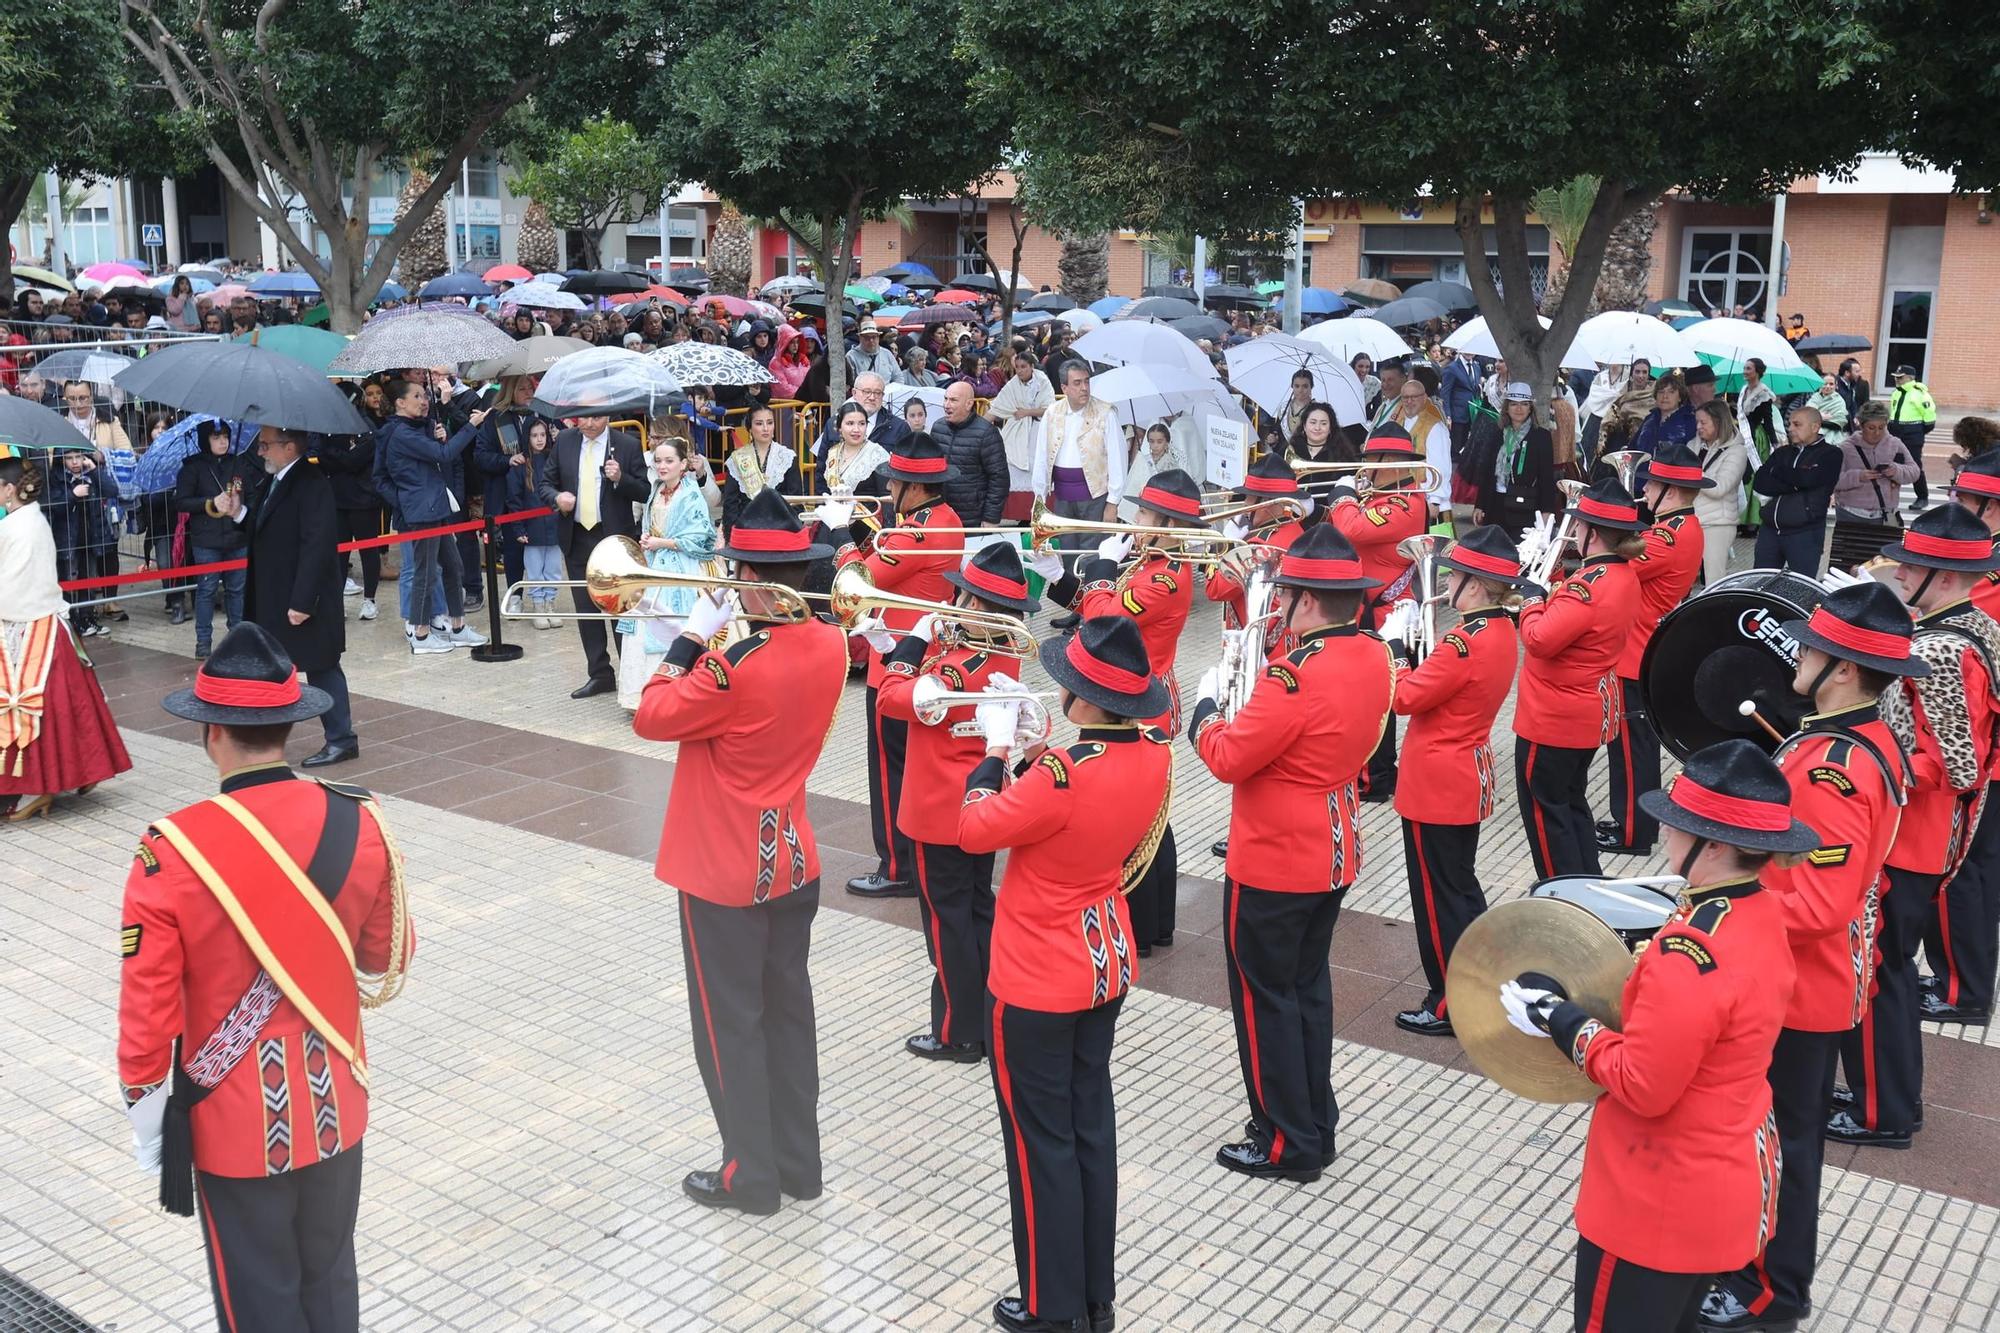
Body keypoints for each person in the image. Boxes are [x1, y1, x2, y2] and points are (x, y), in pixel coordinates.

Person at [117, 621, 413, 1332]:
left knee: (260, 1306)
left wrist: (147, 1115)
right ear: (292, 723)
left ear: (209, 732)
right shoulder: (359, 820)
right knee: (331, 1283)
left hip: (232, 1120)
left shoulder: (171, 850)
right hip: (337, 1102)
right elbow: (384, 958)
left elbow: (147, 1015)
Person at [1501, 740, 1811, 1333]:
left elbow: (1644, 1086)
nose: (1665, 833)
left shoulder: (1691, 951)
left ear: (1714, 844)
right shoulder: (1759, 910)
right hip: (1727, 1173)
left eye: (1678, 824)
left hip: (1660, 1198)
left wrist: (1559, 1018)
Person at [1699, 583, 1918, 1333]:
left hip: (1803, 982)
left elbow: (1818, 906)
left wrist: (1716, 904)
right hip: (1814, 975)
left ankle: (1769, 1292)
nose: (1800, 651)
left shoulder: (1834, 765)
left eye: (1814, 646)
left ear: (1847, 669)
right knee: (1783, 1133)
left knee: (1783, 1140)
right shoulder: (1849, 736)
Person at [633, 490, 847, 1215]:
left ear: (754, 578)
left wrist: (689, 639)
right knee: (788, 1017)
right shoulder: (828, 641)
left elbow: (653, 714)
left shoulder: (738, 665)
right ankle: (798, 1164)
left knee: (729, 1030)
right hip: (791, 855)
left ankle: (749, 1176)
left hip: (724, 866)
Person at [958, 615, 1172, 1333]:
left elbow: (975, 828)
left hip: (1038, 976)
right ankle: (1092, 1297)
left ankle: (1051, 1306)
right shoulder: (1149, 752)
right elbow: (1074, 803)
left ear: (1081, 693)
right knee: (1089, 1130)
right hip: (1103, 958)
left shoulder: (1061, 773)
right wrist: (1032, 752)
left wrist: (993, 753)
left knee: (1038, 1142)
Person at [1188, 524, 1393, 1179]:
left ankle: (1285, 1139)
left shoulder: (1294, 676)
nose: (1279, 603)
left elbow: (1227, 756)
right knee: (1306, 990)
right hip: (1334, 845)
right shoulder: (1371, 652)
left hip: (1276, 855)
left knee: (1264, 999)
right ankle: (1313, 1120)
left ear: (1309, 603)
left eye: (1288, 594)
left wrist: (1207, 708)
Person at [1829, 506, 2000, 1150]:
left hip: (1910, 840)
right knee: (1888, 972)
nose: (1899, 570)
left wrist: (1873, 760)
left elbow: (1954, 762)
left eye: (1914, 566)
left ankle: (1884, 1111)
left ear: (1949, 579)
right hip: (1927, 837)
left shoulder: (1940, 648)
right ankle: (1887, 1099)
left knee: (1876, 974)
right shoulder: (1973, 622)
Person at [873, 542, 1039, 1061]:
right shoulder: (1001, 650)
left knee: (947, 925)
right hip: (977, 800)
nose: (953, 602)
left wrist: (915, 640)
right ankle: (987, 1017)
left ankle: (957, 1032)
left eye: (962, 596)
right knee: (975, 910)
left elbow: (891, 699)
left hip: (937, 809)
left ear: (980, 608)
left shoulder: (958, 667)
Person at [1039, 469, 1206, 954]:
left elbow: (1108, 617)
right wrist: (1060, 578)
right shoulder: (1151, 561)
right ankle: (1154, 923)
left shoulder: (1166, 577)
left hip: (1144, 701)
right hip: (1129, 695)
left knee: (1144, 818)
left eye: (1145, 514)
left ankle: (1149, 922)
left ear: (1167, 521)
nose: (1135, 521)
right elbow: (1099, 608)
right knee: (1146, 814)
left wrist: (1100, 570)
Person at [1382, 526, 1526, 1035]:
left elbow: (1404, 698)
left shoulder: (1464, 642)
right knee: (1459, 888)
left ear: (1480, 587)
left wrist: (1395, 647)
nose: (1448, 585)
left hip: (1435, 781)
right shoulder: (1499, 630)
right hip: (1465, 771)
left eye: (1458, 578)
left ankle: (1448, 1001)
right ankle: (1481, 981)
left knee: (1437, 899)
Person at [820, 435, 963, 899]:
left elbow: (855, 583)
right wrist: (861, 526)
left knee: (889, 772)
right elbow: (888, 559)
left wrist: (840, 533)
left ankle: (898, 865)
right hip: (927, 656)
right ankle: (916, 856)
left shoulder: (915, 532)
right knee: (912, 767)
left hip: (896, 661)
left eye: (895, 483)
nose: (889, 490)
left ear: (914, 489)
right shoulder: (945, 519)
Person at [1512, 478, 1645, 878]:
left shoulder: (1588, 587)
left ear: (1593, 533)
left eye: (1580, 526)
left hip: (1553, 718)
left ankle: (1562, 893)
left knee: (1546, 815)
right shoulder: (1622, 575)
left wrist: (1533, 598)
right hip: (1586, 711)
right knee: (1571, 805)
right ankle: (1588, 882)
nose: (1575, 532)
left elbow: (1538, 639)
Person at [211, 427, 359, 767]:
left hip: (303, 597)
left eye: (266, 445)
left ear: (289, 446)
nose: (261, 452)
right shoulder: (275, 479)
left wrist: (303, 602)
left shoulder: (311, 483)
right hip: (274, 594)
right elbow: (266, 530)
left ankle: (341, 738)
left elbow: (317, 546)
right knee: (274, 666)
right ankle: (265, 739)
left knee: (321, 666)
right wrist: (239, 513)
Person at [0, 457, 131, 821]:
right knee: (69, 707)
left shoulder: (13, 528)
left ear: (10, 489)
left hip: (24, 629)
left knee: (26, 709)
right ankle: (79, 773)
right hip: (50, 623)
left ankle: (33, 786)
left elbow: (8, 586)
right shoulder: (35, 520)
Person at [1598, 444, 1710, 855]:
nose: (1643, 490)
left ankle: (1633, 832)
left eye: (1651, 484)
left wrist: (1609, 525)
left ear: (1671, 490)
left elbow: (1617, 561)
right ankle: (1632, 823)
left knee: (1630, 748)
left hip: (1633, 649)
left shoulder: (1667, 535)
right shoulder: (1678, 527)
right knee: (1629, 744)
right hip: (1640, 644)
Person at [1924, 453, 2000, 1026]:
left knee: (1962, 872)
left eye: (1964, 500)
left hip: (1984, 753)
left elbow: (1955, 620)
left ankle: (1963, 990)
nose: (1954, 505)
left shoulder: (1990, 578)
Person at [1326, 423, 1429, 801]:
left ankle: (1375, 777)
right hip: (1369, 610)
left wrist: (1342, 495)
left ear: (1393, 462)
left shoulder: (1405, 503)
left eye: (1371, 460)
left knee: (1375, 703)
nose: (1365, 467)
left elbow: (1352, 529)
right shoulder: (1384, 495)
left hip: (1386, 616)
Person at [536, 411, 648, 698]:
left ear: (608, 416)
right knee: (586, 610)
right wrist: (557, 499)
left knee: (619, 609)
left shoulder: (627, 444)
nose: (588, 424)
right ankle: (599, 674)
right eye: (582, 418)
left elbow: (644, 491)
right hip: (576, 536)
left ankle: (631, 674)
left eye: (595, 418)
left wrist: (620, 478)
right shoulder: (565, 442)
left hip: (612, 538)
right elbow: (545, 484)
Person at [616, 438, 719, 710]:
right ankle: (640, 695)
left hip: (682, 568)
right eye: (658, 461)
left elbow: (703, 537)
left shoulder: (691, 494)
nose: (662, 466)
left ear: (683, 464)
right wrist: (649, 537)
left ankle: (673, 695)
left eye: (669, 461)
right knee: (643, 624)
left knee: (673, 623)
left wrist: (663, 542)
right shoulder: (656, 490)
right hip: (653, 564)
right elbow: (653, 525)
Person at [1029, 362, 1126, 586]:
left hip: (1095, 495)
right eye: (1077, 383)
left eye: (1086, 381)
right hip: (1063, 495)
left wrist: (1113, 501)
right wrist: (1039, 497)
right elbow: (1042, 457)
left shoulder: (1106, 413)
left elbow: (1117, 459)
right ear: (1064, 387)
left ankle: (1092, 603)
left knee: (1091, 551)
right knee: (1068, 549)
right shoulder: (1052, 413)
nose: (1084, 388)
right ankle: (1074, 603)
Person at [175, 422, 256, 658]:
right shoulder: (193, 468)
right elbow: (181, 501)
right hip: (206, 540)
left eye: (225, 437)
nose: (223, 442)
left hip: (236, 538)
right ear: (205, 440)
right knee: (207, 589)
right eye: (216, 437)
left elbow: (250, 494)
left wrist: (240, 507)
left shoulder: (238, 463)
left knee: (237, 590)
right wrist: (209, 502)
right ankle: (203, 641)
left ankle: (238, 637)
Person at [471, 374, 546, 611]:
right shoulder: (496, 418)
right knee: (514, 547)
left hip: (538, 492)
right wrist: (507, 460)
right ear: (510, 391)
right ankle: (515, 595)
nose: (528, 393)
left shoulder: (540, 413)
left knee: (540, 544)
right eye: (522, 389)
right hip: (508, 492)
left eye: (530, 388)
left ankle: (543, 596)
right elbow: (480, 456)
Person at [1752, 407, 1841, 576]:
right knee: (1760, 585)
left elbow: (1809, 480)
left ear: (1815, 427)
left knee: (1801, 590)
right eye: (1790, 424)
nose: (1790, 429)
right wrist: (1795, 483)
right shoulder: (1782, 452)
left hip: (1805, 533)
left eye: (1797, 424)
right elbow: (1760, 482)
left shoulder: (1831, 454)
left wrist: (1778, 473)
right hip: (1770, 530)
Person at [1471, 382, 1560, 540]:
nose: (1519, 409)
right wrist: (1479, 505)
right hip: (1495, 505)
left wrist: (1547, 511)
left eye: (1524, 404)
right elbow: (1486, 472)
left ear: (1530, 407)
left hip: (1525, 506)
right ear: (1507, 407)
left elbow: (1546, 477)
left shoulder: (1541, 436)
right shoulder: (1496, 433)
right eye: (1514, 404)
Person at [317, 421, 384, 624]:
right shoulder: (328, 429)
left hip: (365, 501)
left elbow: (355, 460)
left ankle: (369, 600)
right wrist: (343, 457)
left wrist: (339, 457)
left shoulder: (367, 427)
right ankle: (336, 604)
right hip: (337, 500)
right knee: (338, 554)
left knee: (369, 552)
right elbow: (323, 457)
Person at [930, 380, 1009, 536]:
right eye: (945, 399)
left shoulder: (987, 433)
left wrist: (991, 518)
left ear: (968, 404)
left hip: (974, 518)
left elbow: (999, 478)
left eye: (953, 400)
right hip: (941, 512)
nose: (946, 405)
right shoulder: (937, 427)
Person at [507, 418, 564, 629]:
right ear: (526, 438)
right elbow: (514, 500)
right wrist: (518, 527)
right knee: (534, 570)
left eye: (542, 435)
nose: (539, 440)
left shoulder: (555, 459)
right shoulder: (520, 465)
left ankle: (550, 605)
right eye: (534, 435)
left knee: (553, 569)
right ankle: (538, 607)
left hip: (554, 524)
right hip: (532, 527)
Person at [1690, 400, 1750, 586]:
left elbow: (1720, 488)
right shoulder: (1694, 444)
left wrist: (1690, 472)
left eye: (1704, 422)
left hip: (1717, 525)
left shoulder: (1737, 451)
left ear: (1718, 421)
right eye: (1697, 422)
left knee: (1713, 580)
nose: (1698, 427)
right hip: (1692, 521)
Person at [1831, 400, 1919, 525]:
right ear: (1861, 426)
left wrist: (1896, 470)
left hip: (1884, 515)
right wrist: (1858, 476)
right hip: (1850, 513)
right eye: (1871, 428)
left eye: (1881, 427)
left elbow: (1914, 472)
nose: (1877, 433)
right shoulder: (1846, 448)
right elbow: (1831, 480)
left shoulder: (1895, 444)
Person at [721, 403, 802, 536]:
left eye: (770, 423)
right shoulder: (737, 458)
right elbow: (730, 503)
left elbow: (796, 499)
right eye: (759, 423)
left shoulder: (787, 457)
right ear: (750, 428)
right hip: (746, 527)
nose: (766, 428)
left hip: (781, 527)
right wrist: (733, 535)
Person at [1285, 400, 1357, 510]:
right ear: (1304, 426)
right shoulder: (1292, 450)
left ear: (1330, 429)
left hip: (1329, 515)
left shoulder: (1343, 455)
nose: (1317, 428)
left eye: (1323, 423)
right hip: (1294, 513)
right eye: (1313, 422)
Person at [1888, 366, 1937, 510]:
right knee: (1891, 463)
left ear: (1910, 377)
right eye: (1896, 377)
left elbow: (1929, 419)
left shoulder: (1920, 394)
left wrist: (1917, 432)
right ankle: (1890, 494)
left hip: (1912, 432)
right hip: (1895, 430)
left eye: (1900, 377)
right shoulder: (1896, 393)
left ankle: (1922, 497)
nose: (1897, 379)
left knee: (1914, 465)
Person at [1630, 373, 1697, 458]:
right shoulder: (1649, 419)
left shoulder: (1690, 422)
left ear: (1680, 397)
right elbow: (1632, 450)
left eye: (1671, 392)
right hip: (1641, 470)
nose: (1665, 396)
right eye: (1661, 392)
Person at [1807, 374, 1850, 444]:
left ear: (1836, 386)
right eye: (1825, 384)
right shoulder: (1814, 397)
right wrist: (1820, 417)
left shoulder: (1839, 401)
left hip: (1832, 439)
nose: (1828, 386)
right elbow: (1807, 415)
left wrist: (1817, 418)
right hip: (1811, 436)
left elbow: (1839, 423)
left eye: (1831, 384)